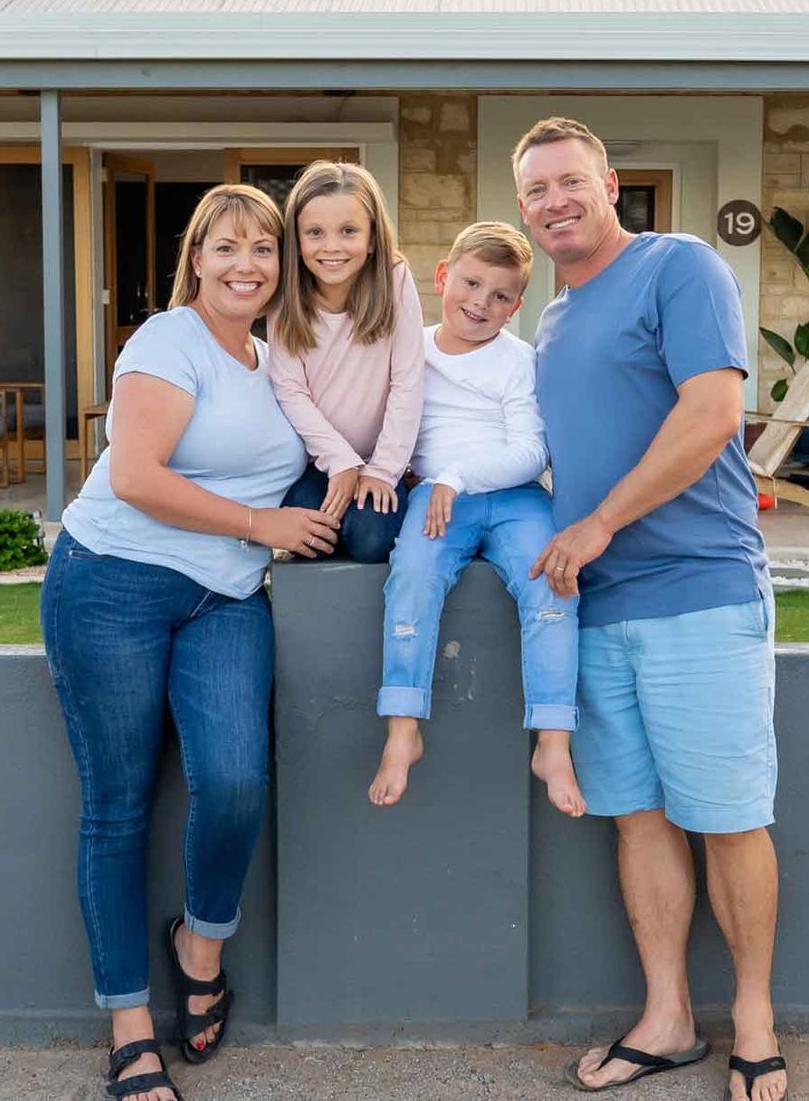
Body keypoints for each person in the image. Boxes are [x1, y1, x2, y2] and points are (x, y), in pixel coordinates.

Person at [42, 184, 341, 1101]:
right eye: (226, 248)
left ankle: (198, 944)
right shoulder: (168, 341)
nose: (246, 264)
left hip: (225, 601)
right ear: (197, 259)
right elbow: (134, 476)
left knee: (237, 779)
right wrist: (263, 523)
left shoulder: (281, 356)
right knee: (118, 807)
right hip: (113, 584)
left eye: (264, 249)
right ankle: (131, 1022)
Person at [516, 118, 786, 1101]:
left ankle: (753, 1018)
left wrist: (597, 522)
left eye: (568, 180)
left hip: (699, 592)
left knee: (728, 816)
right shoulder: (550, 317)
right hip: (595, 609)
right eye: (536, 189)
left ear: (611, 182)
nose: (554, 200)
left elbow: (713, 411)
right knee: (636, 816)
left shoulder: (682, 265)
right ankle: (668, 1017)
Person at [367, 221, 585, 817]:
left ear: (516, 306)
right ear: (443, 277)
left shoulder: (518, 362)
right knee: (412, 577)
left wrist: (456, 475)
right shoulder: (410, 348)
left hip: (513, 497)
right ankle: (403, 729)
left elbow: (531, 451)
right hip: (436, 502)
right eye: (470, 284)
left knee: (551, 586)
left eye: (499, 296)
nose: (480, 303)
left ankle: (553, 739)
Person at [268, 161, 425, 564]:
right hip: (317, 460)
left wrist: (384, 470)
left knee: (371, 540)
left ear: (373, 238)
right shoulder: (286, 295)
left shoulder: (395, 279)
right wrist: (340, 462)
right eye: (315, 233)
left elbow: (407, 381)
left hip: (379, 458)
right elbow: (290, 389)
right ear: (297, 241)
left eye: (349, 231)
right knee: (311, 537)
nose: (332, 246)